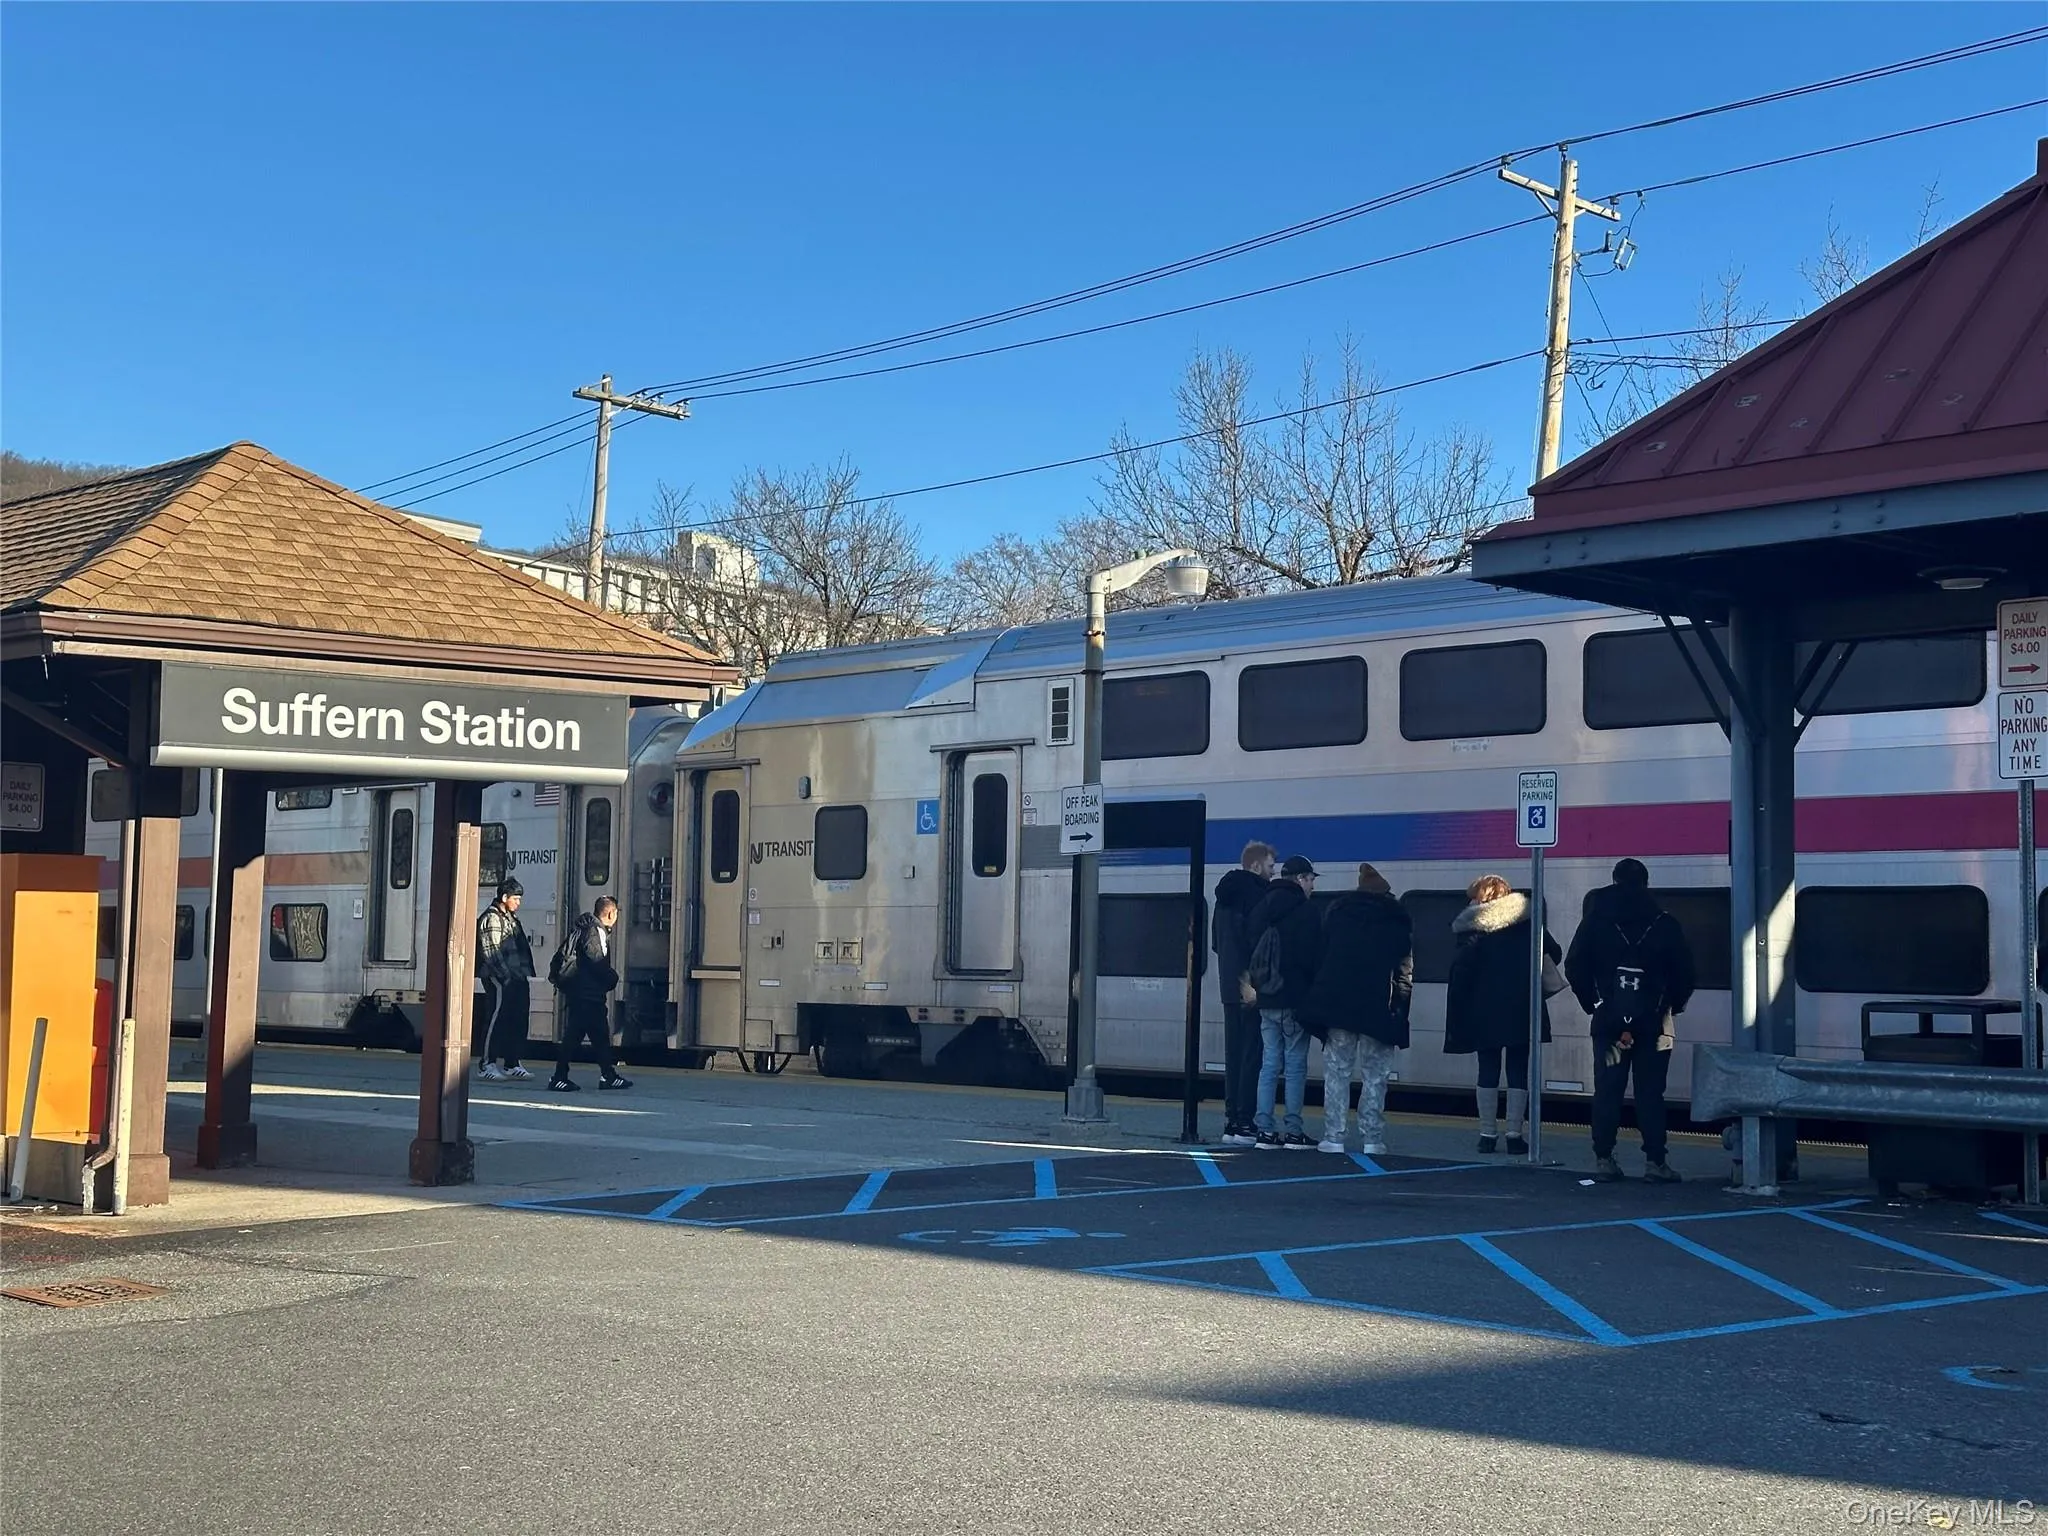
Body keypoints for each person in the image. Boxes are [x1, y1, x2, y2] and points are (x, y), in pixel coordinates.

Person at [1567, 858, 1696, 1183]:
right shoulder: (1664, 923)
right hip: (1653, 1024)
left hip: (1611, 1025)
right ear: (1646, 883)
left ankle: (1604, 1158)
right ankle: (1655, 1162)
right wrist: (1672, 1005)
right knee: (1650, 1093)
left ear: (1613, 881)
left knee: (1608, 1089)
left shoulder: (1596, 921)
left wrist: (1593, 1003)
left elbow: (1574, 966)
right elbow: (1685, 973)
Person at [1299, 864, 1413, 1156]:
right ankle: (1372, 1138)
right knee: (1376, 1075)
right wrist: (1400, 1010)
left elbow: (1320, 960)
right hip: (1379, 1010)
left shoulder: (1337, 916)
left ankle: (1334, 1136)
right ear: (1386, 893)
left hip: (1340, 1008)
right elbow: (1404, 974)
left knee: (1337, 1072)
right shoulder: (1397, 921)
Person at [1445, 873, 1560, 1155]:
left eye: (1474, 895)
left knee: (1488, 1069)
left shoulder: (1473, 928)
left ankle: (1487, 1135)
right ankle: (1514, 1135)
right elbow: (1554, 952)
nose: (1470, 900)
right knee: (1518, 1069)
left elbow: (1463, 969)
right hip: (1522, 1006)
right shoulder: (1529, 923)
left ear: (1483, 897)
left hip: (1485, 1008)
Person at [1246, 855, 1324, 1150]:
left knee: (1269, 1064)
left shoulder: (1262, 906)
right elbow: (1313, 958)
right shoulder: (1306, 912)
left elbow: (1251, 948)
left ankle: (1264, 1130)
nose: (1313, 886)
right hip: (1294, 999)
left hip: (1267, 998)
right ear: (1300, 879)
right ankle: (1293, 1130)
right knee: (1294, 1066)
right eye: (1311, 879)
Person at [1211, 841, 1277, 1148]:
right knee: (1252, 1057)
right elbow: (1259, 944)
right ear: (1255, 865)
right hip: (1250, 988)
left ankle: (1231, 1121)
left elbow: (1217, 944)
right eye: (1270, 866)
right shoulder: (1258, 896)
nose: (1272, 872)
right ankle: (1245, 1121)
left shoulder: (1222, 899)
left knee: (1233, 1055)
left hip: (1228, 985)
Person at [549, 896, 632, 1092]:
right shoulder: (595, 932)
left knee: (598, 1036)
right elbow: (597, 962)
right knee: (575, 1037)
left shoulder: (587, 928)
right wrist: (613, 978)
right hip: (586, 994)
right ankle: (559, 1077)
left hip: (584, 993)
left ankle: (607, 1075)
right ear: (611, 913)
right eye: (616, 913)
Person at [475, 877, 536, 1082]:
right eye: (515, 899)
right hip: (499, 977)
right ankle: (487, 1063)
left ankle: (512, 1062)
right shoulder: (492, 918)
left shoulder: (510, 917)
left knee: (517, 1018)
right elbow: (491, 951)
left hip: (516, 975)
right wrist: (505, 975)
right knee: (496, 1017)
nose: (518, 903)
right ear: (504, 897)